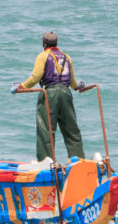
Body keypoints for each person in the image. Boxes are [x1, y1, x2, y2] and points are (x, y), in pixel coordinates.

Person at [12, 31, 85, 162]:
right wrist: (78, 86)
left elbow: (36, 77)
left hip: (49, 93)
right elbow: (73, 83)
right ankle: (79, 161)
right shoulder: (67, 57)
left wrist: (21, 86)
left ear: (44, 44)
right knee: (71, 130)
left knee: (46, 130)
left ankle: (46, 162)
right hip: (66, 93)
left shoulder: (43, 56)